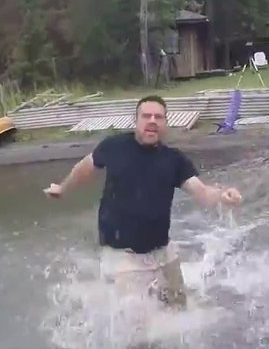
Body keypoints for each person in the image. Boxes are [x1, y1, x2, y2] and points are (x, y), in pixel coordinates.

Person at [43, 95, 242, 307]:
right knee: (136, 325)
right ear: (135, 120)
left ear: (165, 123)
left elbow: (202, 192)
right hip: (123, 255)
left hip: (162, 252)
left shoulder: (174, 160)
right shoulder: (114, 147)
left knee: (179, 309)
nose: (152, 121)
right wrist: (63, 188)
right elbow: (85, 168)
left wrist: (222, 195)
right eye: (146, 116)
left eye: (159, 117)